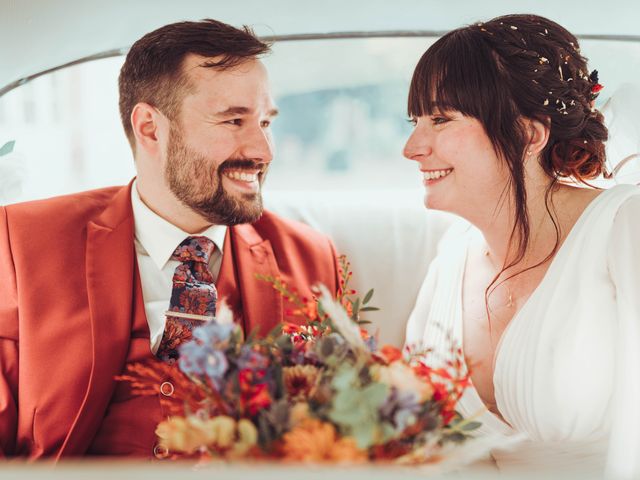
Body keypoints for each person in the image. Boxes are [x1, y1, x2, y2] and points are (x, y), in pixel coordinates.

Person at [0, 19, 339, 459]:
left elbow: (334, 440)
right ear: (150, 128)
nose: (263, 151)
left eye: (265, 122)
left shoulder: (312, 259)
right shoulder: (21, 242)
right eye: (234, 120)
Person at [403, 14, 640, 477]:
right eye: (415, 121)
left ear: (528, 134)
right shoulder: (452, 259)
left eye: (441, 119)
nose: (411, 147)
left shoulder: (625, 228)